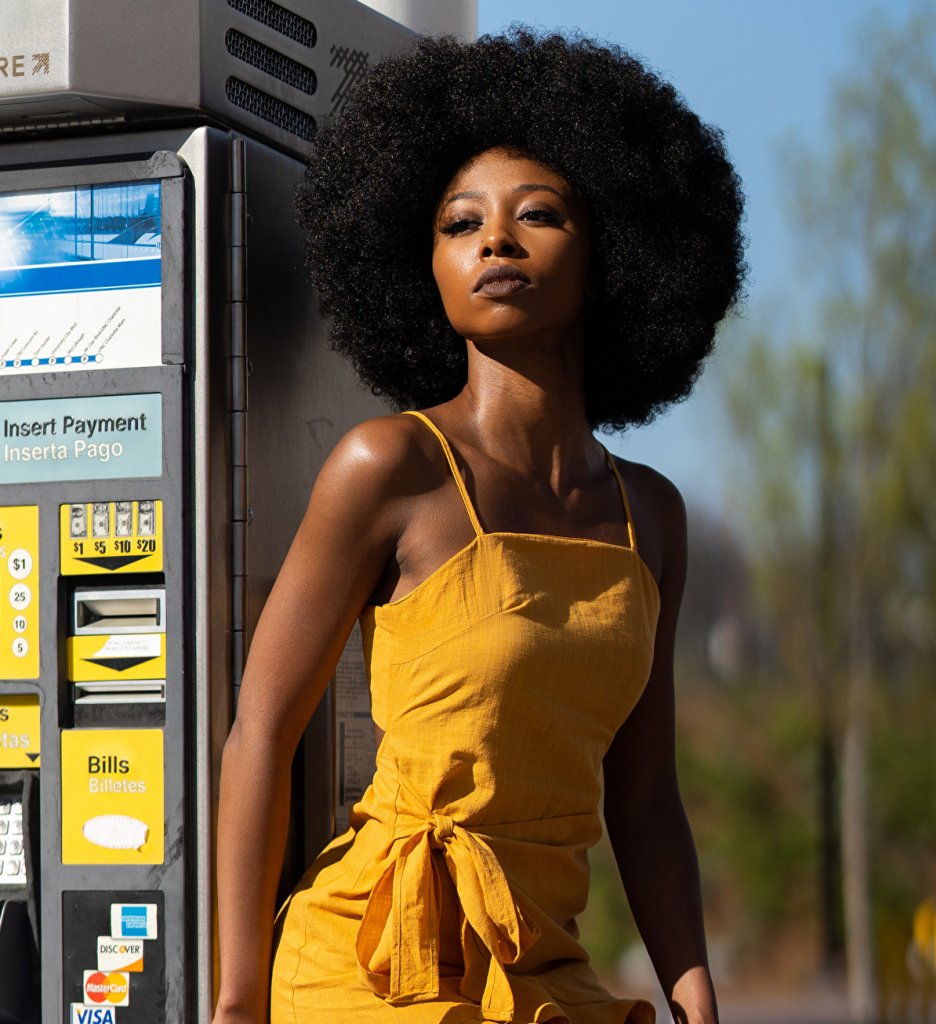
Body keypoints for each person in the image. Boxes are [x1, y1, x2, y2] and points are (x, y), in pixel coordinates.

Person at [212, 29, 745, 1024]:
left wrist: (695, 993)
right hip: (373, 964)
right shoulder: (392, 467)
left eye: (536, 214)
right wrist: (237, 999)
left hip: (539, 962)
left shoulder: (650, 517)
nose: (494, 240)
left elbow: (644, 798)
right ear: (426, 265)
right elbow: (261, 733)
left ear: (611, 256)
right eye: (460, 223)